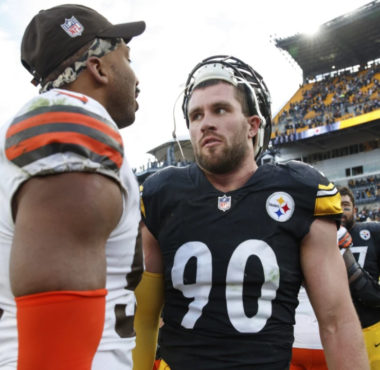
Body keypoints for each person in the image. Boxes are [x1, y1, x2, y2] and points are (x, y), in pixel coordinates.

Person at [138, 55, 369, 369]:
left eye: (220, 109)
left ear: (253, 125)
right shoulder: (161, 194)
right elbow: (143, 320)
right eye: (196, 115)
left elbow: (337, 321)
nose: (205, 122)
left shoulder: (301, 191)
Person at [0, 4, 146, 369]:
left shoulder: (42, 123)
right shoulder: (69, 124)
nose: (137, 77)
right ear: (98, 68)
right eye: (126, 58)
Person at [339, 186, 380, 369]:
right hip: (340, 331)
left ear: (355, 210)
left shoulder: (372, 231)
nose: (340, 210)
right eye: (335, 205)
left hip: (373, 325)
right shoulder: (320, 238)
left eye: (345, 205)